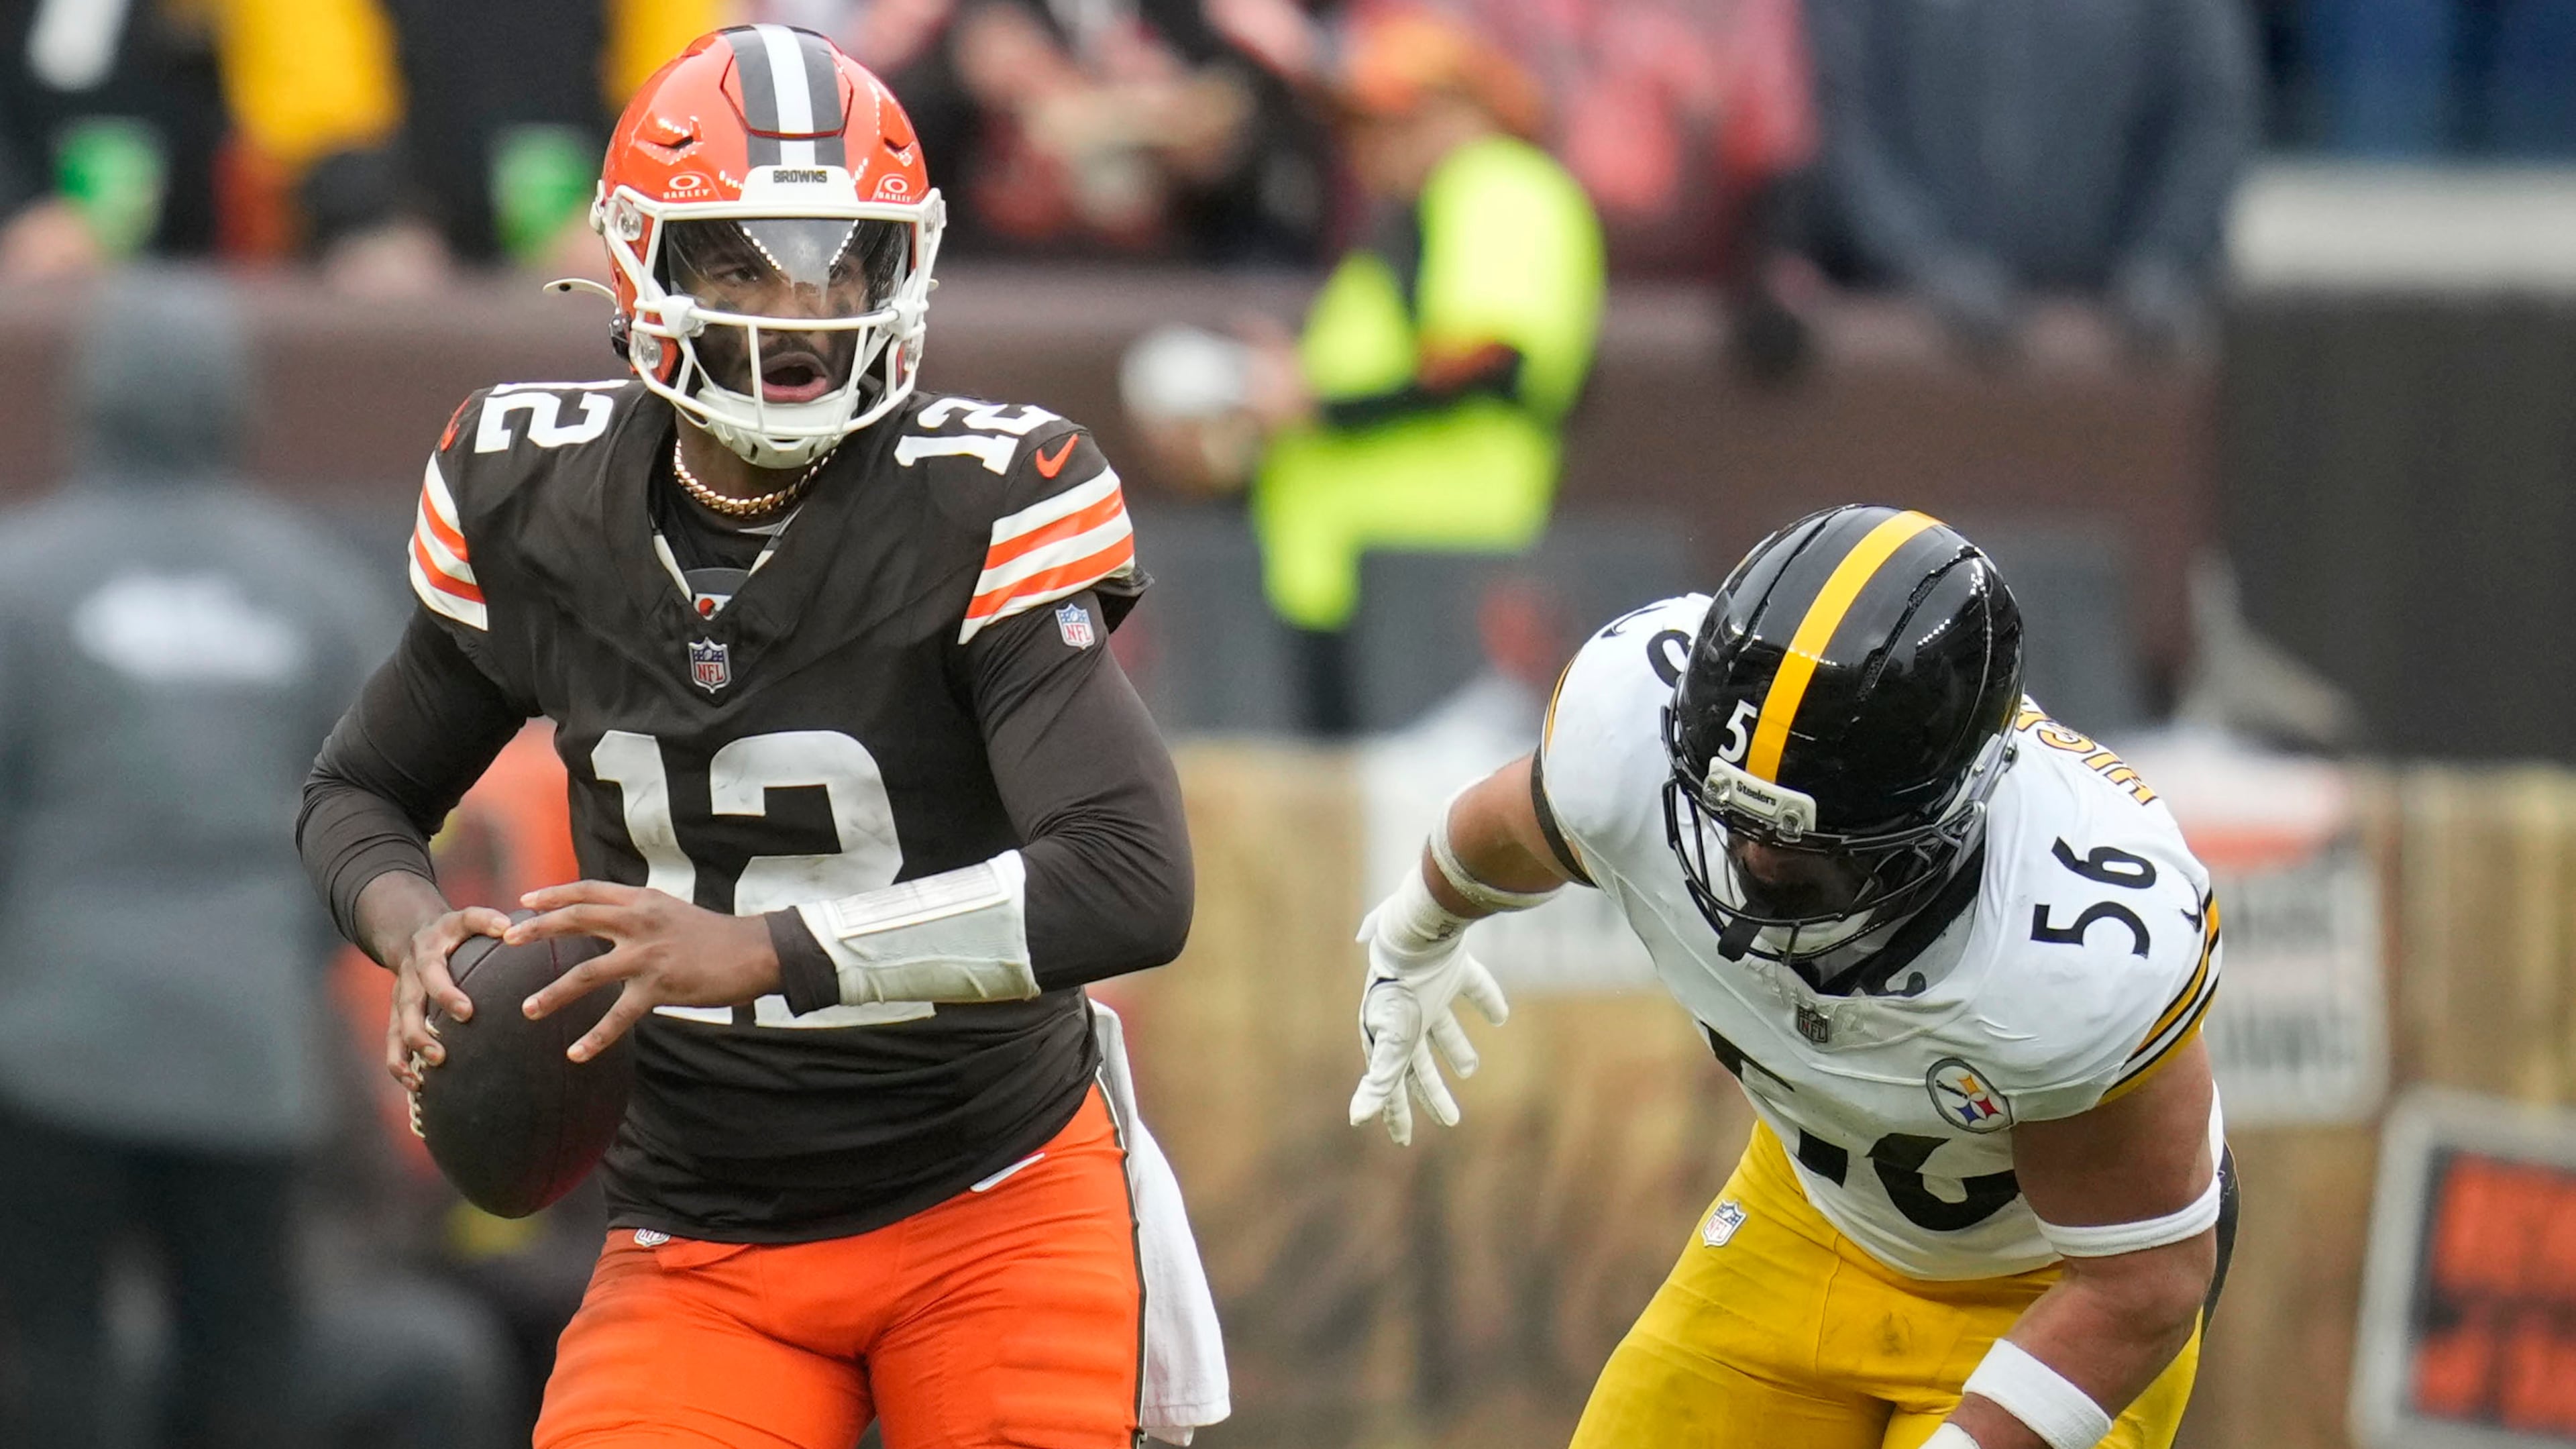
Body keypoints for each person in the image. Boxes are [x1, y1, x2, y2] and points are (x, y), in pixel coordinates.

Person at [294, 25, 1225, 1449]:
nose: (801, 305)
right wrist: (411, 921)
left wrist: (770, 955)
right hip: (704, 1232)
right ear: (642, 265)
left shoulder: (985, 497)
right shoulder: (533, 491)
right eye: (742, 258)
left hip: (993, 1200)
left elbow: (1128, 879)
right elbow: (357, 791)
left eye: (841, 259)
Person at [1348, 504, 2237, 1447]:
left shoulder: (2074, 942)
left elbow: (2144, 1286)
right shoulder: (1628, 741)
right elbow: (1517, 821)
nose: (1754, 865)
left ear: (1950, 821)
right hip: (1808, 1225)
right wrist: (1419, 929)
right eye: (1733, 821)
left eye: (1806, 846)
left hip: (2045, 1290)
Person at [0, 272, 396, 1448]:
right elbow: (375, 817)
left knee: (59, 1358)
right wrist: (276, 956)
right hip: (247, 1051)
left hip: (52, 1040)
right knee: (247, 1368)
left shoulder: (23, 578)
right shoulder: (316, 591)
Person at [1138, 4, 1603, 735]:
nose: (1366, 141)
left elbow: (1489, 362)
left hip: (1430, 575)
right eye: (1354, 121)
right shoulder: (1412, 215)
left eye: (1391, 115)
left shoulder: (1499, 184)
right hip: (1350, 578)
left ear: (1465, 109)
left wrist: (1307, 401)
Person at [1805, 0, 2254, 358]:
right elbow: (1844, 120)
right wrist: (1921, 261)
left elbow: (2209, 116)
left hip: (2112, 350)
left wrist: (2163, 257)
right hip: (1898, 344)